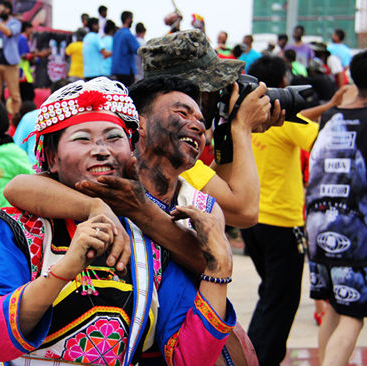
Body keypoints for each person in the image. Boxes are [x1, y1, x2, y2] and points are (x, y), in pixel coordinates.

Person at [0, 77, 236, 366]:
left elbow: (189, 359)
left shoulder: (150, 241)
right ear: (51, 156)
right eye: (82, 138)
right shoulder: (22, 228)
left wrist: (217, 269)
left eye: (113, 138)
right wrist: (66, 268)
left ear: (131, 152)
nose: (100, 149)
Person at [138, 29, 284, 228]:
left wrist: (230, 132)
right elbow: (245, 212)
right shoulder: (162, 150)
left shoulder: (151, 138)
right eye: (216, 88)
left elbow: (211, 194)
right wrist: (242, 127)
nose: (219, 96)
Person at [240, 54, 319, 366]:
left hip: (252, 222)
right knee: (281, 300)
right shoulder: (286, 120)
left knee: (271, 294)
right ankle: (259, 358)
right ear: (285, 83)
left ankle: (253, 353)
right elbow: (320, 139)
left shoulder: (247, 116)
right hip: (283, 223)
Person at [304, 50, 367, 366]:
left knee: (335, 306)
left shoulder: (331, 117)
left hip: (319, 226)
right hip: (356, 233)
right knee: (355, 314)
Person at [0, 0, 22, 115]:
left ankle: (15, 119)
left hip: (10, 65)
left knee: (14, 94)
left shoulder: (15, 23)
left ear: (7, 10)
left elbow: (8, 32)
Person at [111, 11, 140, 86]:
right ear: (128, 19)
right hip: (126, 70)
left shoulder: (117, 34)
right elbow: (137, 49)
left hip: (117, 70)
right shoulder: (127, 34)